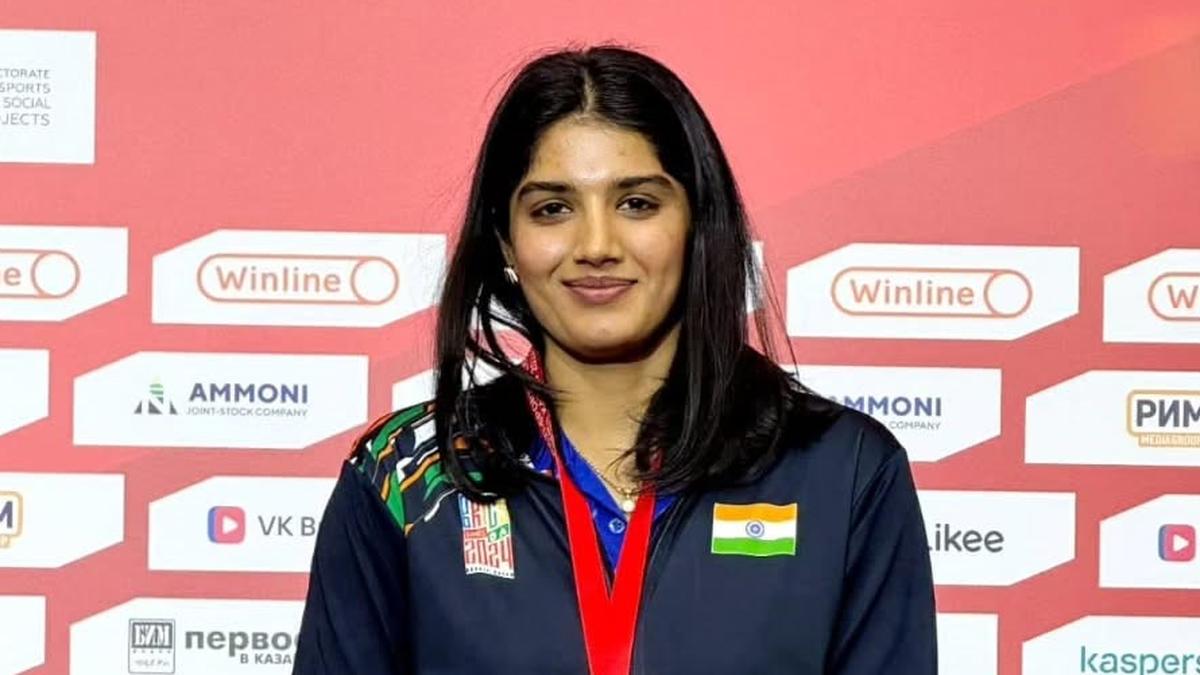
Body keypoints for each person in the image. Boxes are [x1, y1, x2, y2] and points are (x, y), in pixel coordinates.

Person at [293, 45, 937, 674]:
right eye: (552, 209)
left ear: (697, 224)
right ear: (506, 241)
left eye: (637, 203)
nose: (596, 245)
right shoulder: (406, 474)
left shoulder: (842, 469)